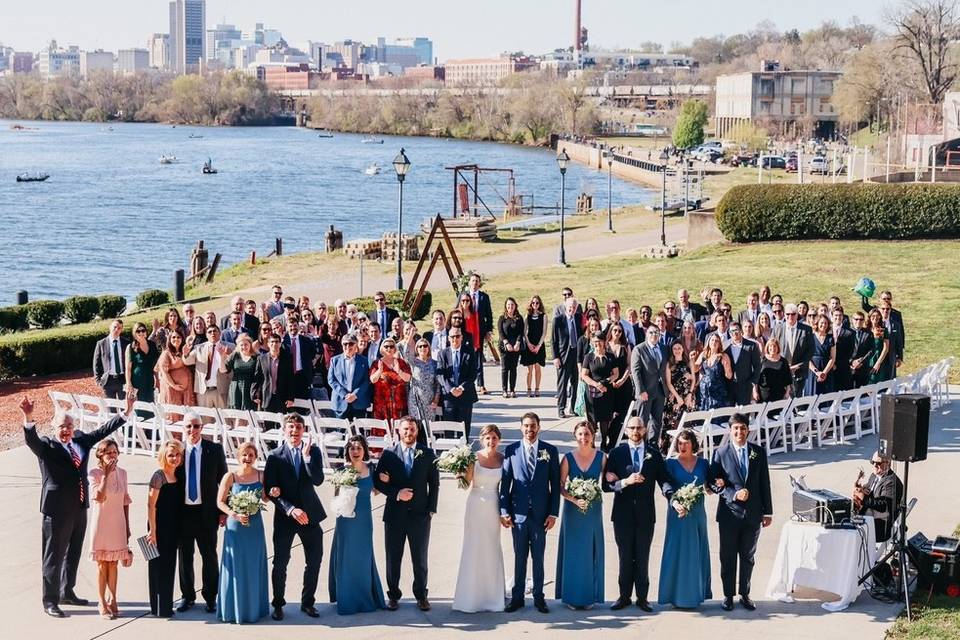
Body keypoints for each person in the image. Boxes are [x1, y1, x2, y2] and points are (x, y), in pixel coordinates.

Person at [19, 394, 132, 618]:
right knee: (54, 555)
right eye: (62, 426)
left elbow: (102, 432)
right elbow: (31, 440)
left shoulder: (80, 441)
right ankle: (50, 600)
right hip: (57, 509)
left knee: (73, 552)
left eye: (69, 426)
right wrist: (28, 417)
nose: (66, 430)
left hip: (79, 507)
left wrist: (126, 413)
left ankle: (66, 591)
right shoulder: (47, 447)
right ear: (54, 427)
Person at [263, 413, 326, 620]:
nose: (294, 431)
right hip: (285, 517)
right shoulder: (274, 456)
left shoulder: (313, 452)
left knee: (314, 561)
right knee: (280, 562)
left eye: (298, 428)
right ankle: (278, 604)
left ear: (303, 430)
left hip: (310, 516)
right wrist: (290, 509)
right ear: (284, 430)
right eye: (290, 427)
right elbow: (271, 489)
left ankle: (308, 602)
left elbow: (318, 480)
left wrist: (308, 459)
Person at [373, 417, 440, 612]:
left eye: (412, 429)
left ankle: (421, 595)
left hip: (420, 515)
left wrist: (431, 509)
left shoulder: (427, 454)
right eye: (405, 429)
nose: (408, 433)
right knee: (393, 557)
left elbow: (434, 483)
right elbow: (378, 483)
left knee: (420, 558)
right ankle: (393, 595)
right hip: (395, 514)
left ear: (417, 431)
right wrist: (396, 494)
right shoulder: (388, 454)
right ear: (398, 431)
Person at [708, 414, 773, 612]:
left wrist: (768, 512)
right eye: (735, 428)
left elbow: (764, 482)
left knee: (747, 556)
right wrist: (733, 494)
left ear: (748, 430)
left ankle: (745, 594)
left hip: (753, 515)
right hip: (729, 513)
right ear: (730, 430)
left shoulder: (758, 452)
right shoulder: (721, 453)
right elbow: (713, 482)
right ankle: (728, 595)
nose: (739, 432)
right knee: (727, 556)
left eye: (743, 428)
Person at [603, 416, 668, 611]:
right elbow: (606, 486)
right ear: (626, 431)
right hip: (622, 515)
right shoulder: (616, 453)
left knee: (642, 556)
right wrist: (624, 482)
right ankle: (623, 596)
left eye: (639, 427)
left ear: (645, 429)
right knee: (625, 555)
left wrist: (672, 496)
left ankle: (642, 597)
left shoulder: (654, 454)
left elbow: (663, 480)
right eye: (632, 428)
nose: (636, 431)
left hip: (646, 514)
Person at [500, 412, 561, 614]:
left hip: (541, 516)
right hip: (518, 516)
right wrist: (504, 511)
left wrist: (553, 514)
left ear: (539, 427)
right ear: (521, 427)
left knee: (538, 558)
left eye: (533, 425)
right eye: (526, 426)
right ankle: (517, 598)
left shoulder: (550, 451)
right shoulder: (511, 450)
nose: (529, 429)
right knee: (519, 557)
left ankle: (539, 597)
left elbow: (555, 485)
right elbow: (506, 484)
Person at [175, 411, 228, 613]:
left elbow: (224, 481)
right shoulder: (176, 451)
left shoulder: (214, 450)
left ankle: (210, 596)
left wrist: (223, 510)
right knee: (185, 556)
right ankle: (187, 596)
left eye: (196, 426)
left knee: (209, 556)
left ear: (201, 428)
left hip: (206, 513)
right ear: (183, 428)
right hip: (184, 513)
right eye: (188, 426)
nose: (192, 430)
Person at [329, 435, 387, 614]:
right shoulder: (340, 470)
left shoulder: (372, 469)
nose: (355, 451)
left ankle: (365, 598)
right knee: (346, 556)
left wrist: (385, 481)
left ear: (364, 451)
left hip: (364, 520)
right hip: (346, 520)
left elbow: (376, 491)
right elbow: (335, 497)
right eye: (352, 448)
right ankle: (346, 599)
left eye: (359, 448)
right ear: (347, 451)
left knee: (363, 556)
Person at [452, 425, 506, 613]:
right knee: (473, 547)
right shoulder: (473, 458)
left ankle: (492, 596)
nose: (491, 442)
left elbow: (506, 488)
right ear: (482, 439)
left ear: (499, 440)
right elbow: (466, 484)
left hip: (493, 506)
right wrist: (459, 475)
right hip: (475, 504)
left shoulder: (503, 459)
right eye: (488, 438)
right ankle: (470, 597)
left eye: (494, 438)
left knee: (492, 547)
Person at [216, 441, 271, 624]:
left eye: (251, 455)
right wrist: (234, 514)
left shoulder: (261, 476)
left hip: (255, 527)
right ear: (239, 457)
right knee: (236, 566)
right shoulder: (230, 476)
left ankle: (254, 608)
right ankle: (233, 609)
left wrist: (273, 493)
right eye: (244, 455)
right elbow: (220, 502)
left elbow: (265, 499)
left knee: (253, 564)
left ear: (256, 457)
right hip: (235, 527)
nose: (247, 458)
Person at [657, 429, 712, 609]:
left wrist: (716, 486)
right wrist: (674, 502)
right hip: (677, 513)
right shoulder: (670, 464)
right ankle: (675, 595)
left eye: (686, 443)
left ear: (693, 445)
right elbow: (665, 485)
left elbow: (710, 485)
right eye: (679, 443)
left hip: (697, 514)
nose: (682, 446)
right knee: (677, 552)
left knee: (696, 551)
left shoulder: (703, 463)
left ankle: (695, 594)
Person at [556, 421, 606, 610]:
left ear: (593, 436)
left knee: (591, 551)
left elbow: (609, 481)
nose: (583, 438)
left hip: (593, 511)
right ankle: (572, 596)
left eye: (587, 434)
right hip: (573, 510)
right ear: (575, 436)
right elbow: (560, 486)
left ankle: (590, 596)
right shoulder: (568, 458)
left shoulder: (601, 457)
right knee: (574, 552)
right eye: (580, 434)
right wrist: (574, 499)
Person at [86, 438, 133, 620]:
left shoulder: (123, 473)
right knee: (102, 563)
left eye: (114, 452)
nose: (112, 455)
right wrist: (105, 475)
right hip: (102, 523)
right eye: (108, 453)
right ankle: (101, 602)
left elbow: (125, 502)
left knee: (113, 563)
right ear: (101, 455)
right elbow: (98, 497)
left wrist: (127, 527)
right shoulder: (94, 473)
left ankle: (113, 598)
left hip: (118, 523)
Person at [147, 440, 185, 618]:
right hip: (158, 527)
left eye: (177, 455)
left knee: (169, 566)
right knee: (157, 567)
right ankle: (159, 608)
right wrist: (152, 531)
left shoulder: (178, 476)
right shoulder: (159, 476)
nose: (174, 458)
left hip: (173, 527)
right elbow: (151, 505)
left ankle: (165, 606)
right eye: (171, 455)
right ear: (164, 456)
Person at [580, 331, 620, 451]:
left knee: (605, 418)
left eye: (600, 341)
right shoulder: (589, 357)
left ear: (604, 342)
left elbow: (616, 373)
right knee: (592, 418)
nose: (598, 344)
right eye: (595, 341)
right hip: (592, 392)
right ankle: (592, 443)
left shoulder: (610, 356)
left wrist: (606, 381)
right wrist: (595, 384)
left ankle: (604, 441)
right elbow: (584, 375)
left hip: (607, 391)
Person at [853, 451, 904, 543]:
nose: (875, 465)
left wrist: (863, 498)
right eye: (873, 462)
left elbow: (884, 506)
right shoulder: (874, 475)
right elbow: (868, 491)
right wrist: (861, 490)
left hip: (880, 526)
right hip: (868, 516)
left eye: (879, 463)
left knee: (850, 533)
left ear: (888, 463)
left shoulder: (892, 482)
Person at [436, 328, 479, 439]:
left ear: (462, 337)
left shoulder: (469, 352)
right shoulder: (442, 354)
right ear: (448, 338)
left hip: (465, 395)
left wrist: (461, 387)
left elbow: (473, 373)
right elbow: (440, 375)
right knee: (449, 427)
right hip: (448, 397)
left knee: (464, 428)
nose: (455, 339)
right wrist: (451, 389)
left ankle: (463, 453)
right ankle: (449, 454)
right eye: (452, 337)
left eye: (457, 336)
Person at [630, 325, 668, 442]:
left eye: (656, 332)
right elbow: (635, 371)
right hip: (645, 391)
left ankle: (653, 446)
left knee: (657, 422)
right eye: (651, 332)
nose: (654, 335)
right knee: (642, 421)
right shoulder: (639, 349)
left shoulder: (663, 348)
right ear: (647, 333)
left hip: (660, 391)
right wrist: (641, 390)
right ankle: (641, 445)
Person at [370, 338, 413, 434]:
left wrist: (399, 371)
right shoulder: (377, 363)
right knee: (381, 433)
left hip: (399, 405)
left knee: (399, 432)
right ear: (382, 349)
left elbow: (408, 378)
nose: (389, 348)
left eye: (391, 346)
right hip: (381, 405)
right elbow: (373, 380)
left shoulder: (402, 363)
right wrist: (379, 371)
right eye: (386, 346)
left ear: (395, 349)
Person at [183, 324, 232, 408]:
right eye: (209, 332)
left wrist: (229, 354)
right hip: (203, 390)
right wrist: (185, 354)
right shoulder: (198, 348)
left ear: (220, 333)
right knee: (205, 419)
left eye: (215, 331)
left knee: (225, 419)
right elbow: (187, 361)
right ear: (206, 335)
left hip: (221, 390)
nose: (212, 333)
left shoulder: (229, 347)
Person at [772, 303, 814, 398]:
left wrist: (798, 366)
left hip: (799, 372)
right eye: (788, 314)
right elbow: (771, 348)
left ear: (797, 314)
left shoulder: (806, 330)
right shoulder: (777, 329)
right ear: (784, 314)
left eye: (793, 314)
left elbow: (811, 350)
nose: (790, 316)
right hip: (781, 371)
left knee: (796, 402)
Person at [327, 334, 372, 420]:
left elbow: (366, 381)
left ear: (356, 345)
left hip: (359, 403)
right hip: (340, 402)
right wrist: (344, 395)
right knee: (340, 432)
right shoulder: (335, 360)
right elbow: (331, 380)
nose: (348, 346)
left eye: (351, 344)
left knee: (359, 432)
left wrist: (355, 394)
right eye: (345, 344)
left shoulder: (364, 361)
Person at [553, 297, 583, 418]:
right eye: (570, 307)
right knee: (562, 384)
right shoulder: (558, 320)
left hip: (576, 354)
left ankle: (573, 407)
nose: (572, 309)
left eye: (574, 307)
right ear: (566, 306)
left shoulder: (578, 318)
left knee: (575, 383)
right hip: (563, 355)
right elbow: (554, 340)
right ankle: (561, 408)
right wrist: (555, 357)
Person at [465, 273, 495, 392]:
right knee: (466, 357)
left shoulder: (484, 297)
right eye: (473, 281)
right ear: (469, 283)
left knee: (478, 357)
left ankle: (480, 384)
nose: (475, 283)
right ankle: (467, 384)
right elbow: (457, 311)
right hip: (466, 330)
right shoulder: (463, 296)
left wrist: (488, 331)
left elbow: (489, 315)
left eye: (477, 281)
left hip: (479, 330)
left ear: (479, 284)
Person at [606, 322, 634, 447]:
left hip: (624, 384)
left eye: (620, 331)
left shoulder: (625, 346)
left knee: (622, 413)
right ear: (611, 331)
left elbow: (629, 365)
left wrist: (622, 379)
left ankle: (614, 439)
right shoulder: (605, 346)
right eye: (615, 330)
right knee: (609, 413)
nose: (617, 333)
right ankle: (608, 437)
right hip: (609, 384)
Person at [251, 333, 294, 413]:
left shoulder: (287, 359)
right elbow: (257, 377)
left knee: (281, 424)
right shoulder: (261, 359)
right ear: (268, 344)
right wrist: (254, 393)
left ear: (280, 344)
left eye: (277, 342)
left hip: (282, 397)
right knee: (267, 423)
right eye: (272, 342)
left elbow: (290, 379)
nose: (274, 344)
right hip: (267, 396)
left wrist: (290, 398)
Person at [407, 339, 440, 437]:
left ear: (429, 348)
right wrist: (410, 336)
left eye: (425, 346)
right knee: (415, 425)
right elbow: (405, 351)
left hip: (430, 399)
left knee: (428, 428)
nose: (423, 348)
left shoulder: (434, 363)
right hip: (415, 399)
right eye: (420, 346)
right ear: (416, 348)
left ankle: (428, 450)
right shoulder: (413, 362)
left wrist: (436, 399)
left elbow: (437, 384)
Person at [663, 342, 695, 437]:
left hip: (688, 397)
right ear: (672, 350)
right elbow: (668, 382)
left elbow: (694, 380)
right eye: (675, 348)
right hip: (675, 396)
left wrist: (689, 394)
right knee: (673, 423)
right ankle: (670, 448)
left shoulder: (689, 362)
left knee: (687, 423)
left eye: (679, 348)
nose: (677, 350)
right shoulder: (669, 364)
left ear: (683, 349)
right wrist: (677, 397)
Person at [726, 322, 762, 406]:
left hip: (745, 386)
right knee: (730, 414)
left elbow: (757, 366)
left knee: (744, 415)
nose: (734, 333)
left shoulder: (751, 346)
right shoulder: (726, 346)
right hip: (730, 386)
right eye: (732, 331)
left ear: (741, 331)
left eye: (736, 330)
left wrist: (752, 382)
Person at [125, 322, 159, 408]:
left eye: (143, 330)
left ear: (146, 332)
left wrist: (158, 380)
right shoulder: (131, 347)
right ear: (134, 334)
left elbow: (155, 365)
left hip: (149, 380)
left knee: (150, 404)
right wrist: (129, 384)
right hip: (137, 381)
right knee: (138, 406)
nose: (141, 333)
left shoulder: (152, 345)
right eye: (138, 331)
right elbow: (128, 368)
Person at [93, 319, 130, 399]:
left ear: (121, 330)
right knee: (110, 409)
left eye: (119, 328)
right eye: (115, 327)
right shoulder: (101, 344)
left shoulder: (126, 343)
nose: (116, 329)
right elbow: (96, 364)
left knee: (125, 407)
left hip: (123, 379)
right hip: (108, 381)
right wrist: (98, 380)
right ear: (110, 327)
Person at [695, 333, 733, 411]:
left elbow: (729, 376)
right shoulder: (703, 355)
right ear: (708, 342)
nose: (714, 342)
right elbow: (695, 369)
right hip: (704, 393)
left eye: (717, 341)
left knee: (717, 419)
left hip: (718, 393)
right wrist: (692, 359)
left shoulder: (723, 356)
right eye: (712, 340)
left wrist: (726, 366)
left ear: (719, 344)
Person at [157, 332, 196, 407]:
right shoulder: (166, 353)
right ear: (169, 339)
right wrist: (174, 385)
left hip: (187, 389)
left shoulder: (185, 350)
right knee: (175, 413)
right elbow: (164, 372)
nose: (176, 339)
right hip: (172, 388)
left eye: (178, 337)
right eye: (173, 337)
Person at [284, 316, 318, 400]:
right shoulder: (283, 342)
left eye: (295, 325)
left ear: (298, 326)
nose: (293, 328)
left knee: (303, 403)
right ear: (287, 327)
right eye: (290, 326)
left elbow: (314, 353)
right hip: (287, 376)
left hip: (302, 376)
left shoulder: (306, 340)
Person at [222, 334, 259, 410]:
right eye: (241, 345)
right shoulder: (235, 355)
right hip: (236, 388)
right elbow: (225, 370)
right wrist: (222, 356)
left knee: (250, 415)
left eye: (246, 344)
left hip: (250, 389)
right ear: (238, 346)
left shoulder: (256, 357)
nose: (244, 347)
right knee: (237, 415)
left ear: (250, 345)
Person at [498, 297, 525, 398]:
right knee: (505, 368)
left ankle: (512, 389)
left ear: (515, 306)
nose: (510, 307)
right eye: (508, 305)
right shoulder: (502, 318)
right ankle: (504, 390)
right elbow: (501, 333)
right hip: (505, 346)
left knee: (513, 368)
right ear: (506, 306)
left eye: (512, 305)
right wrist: (506, 343)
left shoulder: (519, 318)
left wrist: (518, 343)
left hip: (516, 347)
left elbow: (521, 332)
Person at [804, 315, 837, 396]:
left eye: (826, 323)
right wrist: (817, 372)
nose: (824, 325)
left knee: (826, 397)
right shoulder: (810, 337)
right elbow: (807, 358)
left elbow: (832, 358)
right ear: (817, 323)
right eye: (822, 323)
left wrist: (824, 373)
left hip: (827, 371)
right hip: (813, 372)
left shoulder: (831, 339)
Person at [521, 295, 547, 396]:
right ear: (531, 304)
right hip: (529, 344)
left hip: (539, 344)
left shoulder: (543, 316)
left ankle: (537, 388)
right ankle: (528, 389)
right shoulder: (528, 315)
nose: (535, 305)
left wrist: (539, 345)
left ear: (539, 304)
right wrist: (528, 343)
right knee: (529, 369)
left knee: (537, 367)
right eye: (533, 303)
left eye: (537, 303)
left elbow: (544, 332)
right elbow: (524, 331)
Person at [832, 308, 856, 391]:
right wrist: (831, 364)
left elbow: (850, 352)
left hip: (842, 368)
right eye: (836, 315)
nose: (838, 317)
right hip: (828, 368)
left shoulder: (850, 332)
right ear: (832, 317)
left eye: (840, 315)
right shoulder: (826, 330)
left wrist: (837, 364)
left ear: (843, 317)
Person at [866, 312, 894, 383]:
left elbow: (886, 348)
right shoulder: (866, 330)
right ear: (869, 317)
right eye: (873, 316)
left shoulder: (884, 330)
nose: (875, 318)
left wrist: (878, 363)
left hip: (878, 359)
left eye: (877, 316)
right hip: (866, 360)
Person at [850, 312, 874, 388]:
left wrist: (861, 361)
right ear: (852, 320)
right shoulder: (846, 332)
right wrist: (852, 362)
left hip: (863, 368)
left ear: (863, 321)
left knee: (862, 395)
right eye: (856, 319)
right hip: (849, 368)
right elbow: (842, 351)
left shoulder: (868, 333)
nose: (858, 322)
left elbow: (871, 350)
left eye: (861, 319)